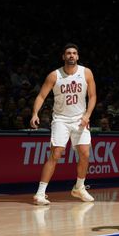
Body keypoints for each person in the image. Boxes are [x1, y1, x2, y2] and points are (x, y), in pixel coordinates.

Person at [30, 43, 97, 205]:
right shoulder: (54, 75)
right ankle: (40, 193)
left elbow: (93, 96)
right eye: (68, 53)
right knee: (56, 153)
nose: (71, 55)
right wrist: (35, 113)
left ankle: (79, 188)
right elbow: (41, 96)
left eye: (74, 53)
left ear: (78, 56)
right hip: (61, 119)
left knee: (85, 154)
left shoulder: (86, 72)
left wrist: (87, 115)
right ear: (63, 56)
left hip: (80, 119)